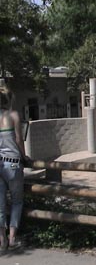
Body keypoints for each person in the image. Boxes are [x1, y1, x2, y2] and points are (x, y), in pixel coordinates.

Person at [0, 83, 26, 252]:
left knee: (0, 204)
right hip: (13, 163)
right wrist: (25, 157)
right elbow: (18, 140)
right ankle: (12, 238)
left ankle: (1, 242)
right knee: (17, 201)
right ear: (10, 100)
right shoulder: (14, 115)